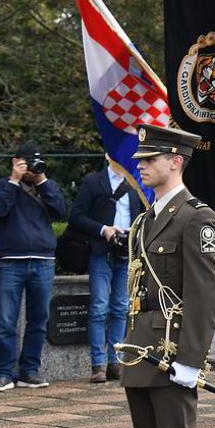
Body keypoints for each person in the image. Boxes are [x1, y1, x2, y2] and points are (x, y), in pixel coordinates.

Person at [108, 124, 215, 428]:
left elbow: (205, 293)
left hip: (172, 352)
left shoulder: (197, 218)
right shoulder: (144, 221)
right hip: (140, 351)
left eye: (149, 158)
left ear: (176, 160)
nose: (141, 164)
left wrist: (191, 359)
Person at [0, 143, 68, 391]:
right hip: (10, 261)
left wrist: (43, 180)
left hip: (43, 261)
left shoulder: (47, 186)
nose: (32, 168)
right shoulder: (1, 186)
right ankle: (3, 372)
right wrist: (14, 180)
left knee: (39, 319)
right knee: (5, 320)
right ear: (15, 161)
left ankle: (28, 371)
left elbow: (60, 211)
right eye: (27, 163)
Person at [70, 157, 145, 383]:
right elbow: (76, 216)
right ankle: (98, 365)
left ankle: (116, 362)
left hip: (126, 251)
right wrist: (104, 229)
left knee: (122, 307)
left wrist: (133, 233)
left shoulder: (136, 182)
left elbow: (145, 215)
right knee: (99, 306)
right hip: (101, 251)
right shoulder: (94, 181)